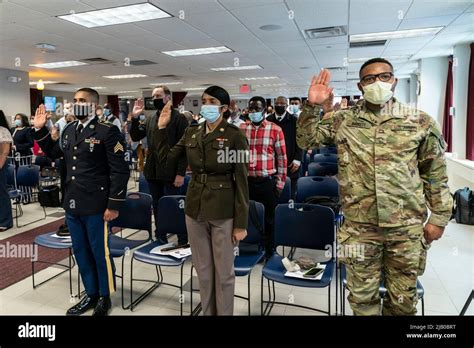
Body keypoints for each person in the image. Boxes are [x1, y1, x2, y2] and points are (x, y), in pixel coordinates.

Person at [296, 60, 453, 316]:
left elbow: (435, 174)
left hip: (405, 229)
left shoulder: (420, 121)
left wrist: (439, 218)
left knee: (402, 304)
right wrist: (313, 106)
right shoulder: (343, 120)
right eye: (369, 79)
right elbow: (307, 139)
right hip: (359, 229)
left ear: (394, 81)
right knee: (361, 302)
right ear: (360, 85)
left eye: (384, 76)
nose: (377, 82)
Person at [33, 87, 129, 316]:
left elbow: (120, 171)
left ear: (95, 105)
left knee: (99, 251)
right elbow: (56, 153)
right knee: (80, 250)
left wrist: (113, 205)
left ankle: (105, 296)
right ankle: (91, 293)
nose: (77, 103)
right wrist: (40, 130)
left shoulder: (108, 131)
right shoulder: (69, 130)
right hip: (73, 202)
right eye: (75, 100)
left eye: (82, 100)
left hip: (97, 203)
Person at [155, 86, 249, 315]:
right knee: (204, 272)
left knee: (224, 274)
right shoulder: (192, 132)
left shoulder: (235, 136)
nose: (206, 105)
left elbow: (242, 181)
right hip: (194, 207)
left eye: (212, 101)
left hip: (223, 210)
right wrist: (161, 129)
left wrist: (241, 224)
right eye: (204, 100)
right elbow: (167, 160)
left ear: (224, 108)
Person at [130, 86, 189, 244]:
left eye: (158, 95)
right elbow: (136, 135)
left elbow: (184, 149)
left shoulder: (179, 118)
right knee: (157, 205)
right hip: (153, 170)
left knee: (174, 205)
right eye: (153, 95)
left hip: (171, 171)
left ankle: (182, 237)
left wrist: (180, 173)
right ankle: (160, 234)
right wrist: (135, 118)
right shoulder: (150, 118)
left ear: (167, 98)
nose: (154, 98)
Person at [240, 96, 287, 257]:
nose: (253, 112)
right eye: (251, 109)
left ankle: (269, 251)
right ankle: (252, 247)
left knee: (269, 219)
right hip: (247, 182)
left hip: (267, 182)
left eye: (257, 109)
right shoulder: (241, 129)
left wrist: (280, 184)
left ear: (265, 110)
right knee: (248, 217)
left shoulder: (275, 129)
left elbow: (281, 158)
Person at [266, 96, 302, 199]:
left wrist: (298, 159)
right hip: (273, 163)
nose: (279, 106)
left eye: (282, 104)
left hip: (291, 161)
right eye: (277, 104)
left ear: (286, 106)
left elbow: (300, 140)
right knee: (274, 195)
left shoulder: (294, 120)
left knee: (290, 194)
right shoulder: (269, 120)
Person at [0, 110, 13, 231]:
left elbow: (5, 152)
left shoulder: (3, 131)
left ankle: (5, 221)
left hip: (0, 164)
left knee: (1, 193)